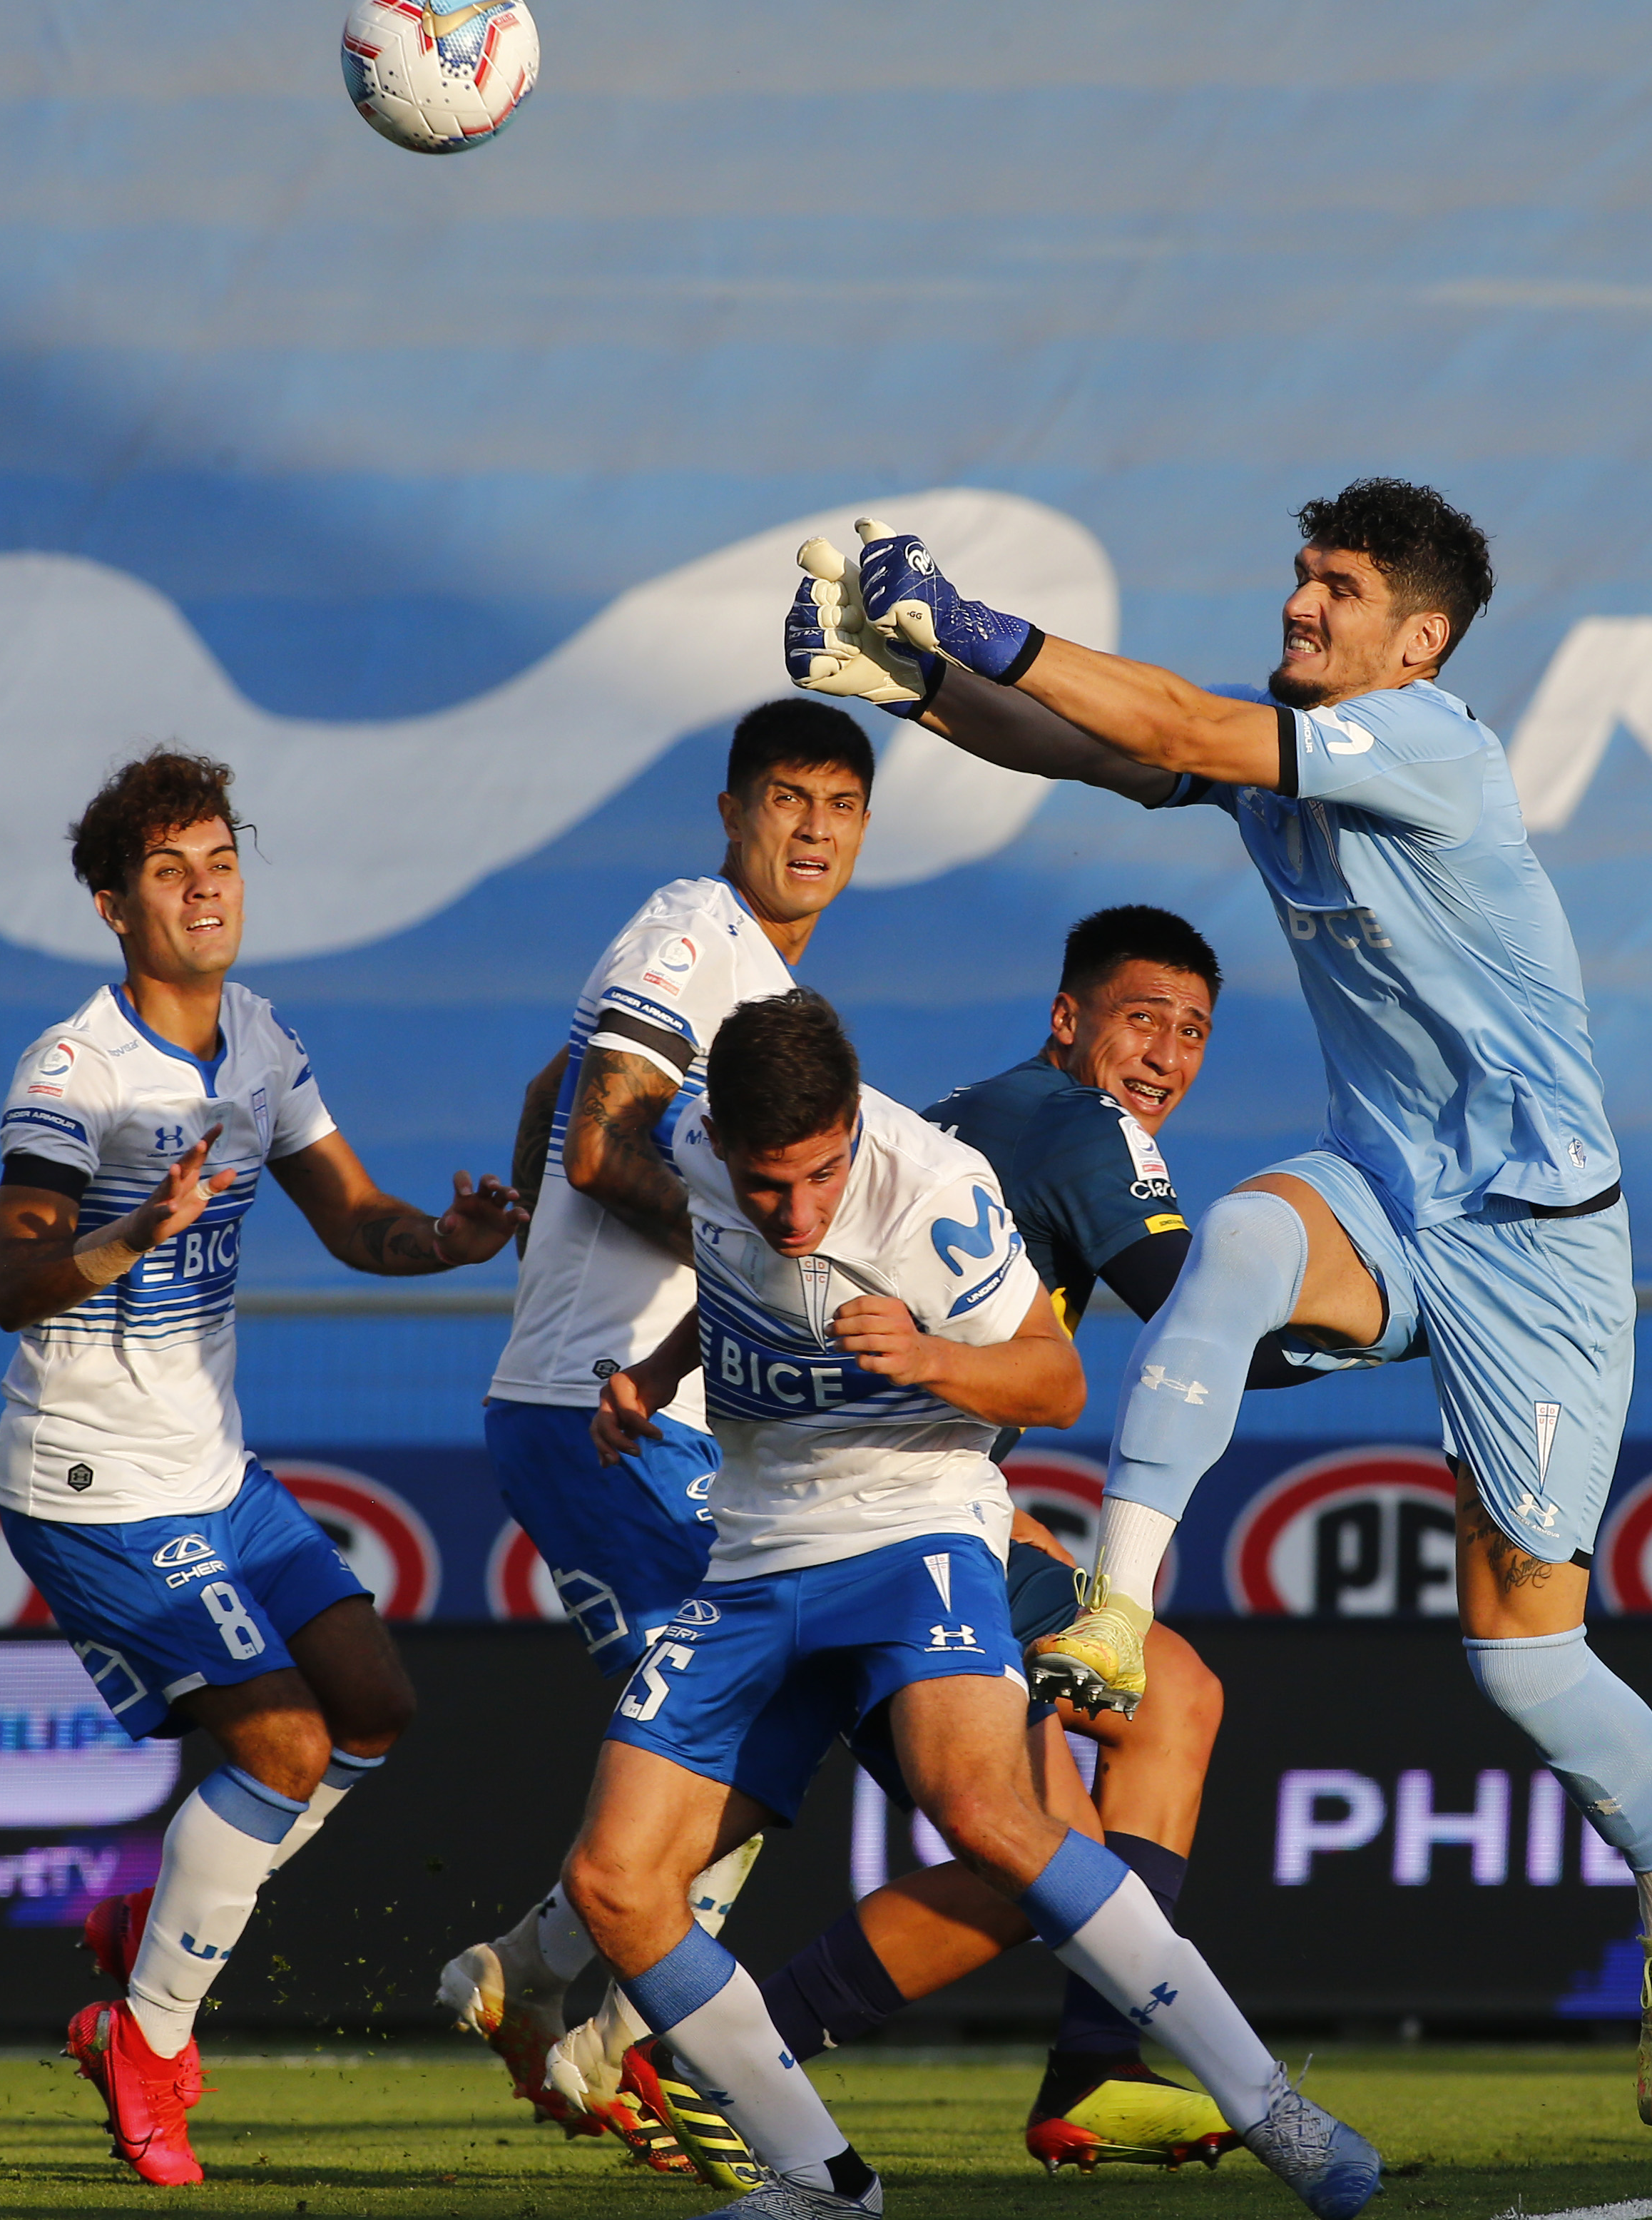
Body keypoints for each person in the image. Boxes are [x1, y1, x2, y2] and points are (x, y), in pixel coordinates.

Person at [787, 480, 1652, 2124]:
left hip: (1534, 1245)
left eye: (1340, 586)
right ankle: (1116, 1602)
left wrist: (962, 617)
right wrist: (923, 689)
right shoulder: (1277, 762)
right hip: (1382, 1193)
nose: (1301, 604)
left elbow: (1162, 712)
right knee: (1234, 1233)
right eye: (1300, 574)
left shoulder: (1433, 746)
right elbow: (1093, 748)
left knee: (1524, 1663)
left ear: (1416, 640)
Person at [566, 989, 1380, 2220]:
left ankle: (1273, 2108)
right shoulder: (693, 1138)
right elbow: (736, 1281)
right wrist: (658, 1374)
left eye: (821, 1176)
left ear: (855, 1121)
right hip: (750, 1559)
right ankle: (824, 2184)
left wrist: (933, 1355)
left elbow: (1053, 1381)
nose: (797, 1212)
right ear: (722, 1142)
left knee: (984, 1807)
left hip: (915, 1529)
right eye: (768, 1184)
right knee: (614, 1885)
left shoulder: (935, 1192)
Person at [0, 750, 525, 2186]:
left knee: (372, 1707)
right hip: (93, 1478)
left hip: (211, 1469)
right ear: (112, 906)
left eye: (218, 859)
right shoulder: (72, 1069)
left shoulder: (264, 1040)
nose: (204, 886)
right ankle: (143, 2034)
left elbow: (356, 1222)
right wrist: (132, 1233)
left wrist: (446, 1243)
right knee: (280, 1748)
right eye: (168, 870)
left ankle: (157, 1924)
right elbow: (13, 1280)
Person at [762, 905, 1278, 2170]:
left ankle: (1096, 2072)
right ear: (1069, 1022)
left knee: (1168, 1707)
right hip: (867, 1528)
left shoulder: (985, 1113)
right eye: (1140, 1020)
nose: (1164, 1055)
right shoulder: (1079, 1124)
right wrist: (1399, 1311)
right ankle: (713, 2064)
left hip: (906, 1502)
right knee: (1039, 1865)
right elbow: (1194, 1311)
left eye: (1194, 1032)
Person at [434, 701, 875, 2159]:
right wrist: (758, 1249)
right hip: (608, 1413)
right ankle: (615, 2030)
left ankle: (561, 1993)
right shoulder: (693, 935)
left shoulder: (753, 974)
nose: (812, 829)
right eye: (788, 798)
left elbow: (542, 1097)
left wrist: (536, 1258)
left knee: (772, 1716)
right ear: (733, 809)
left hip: (644, 1406)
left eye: (840, 806)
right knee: (738, 1721)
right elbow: (595, 1133)